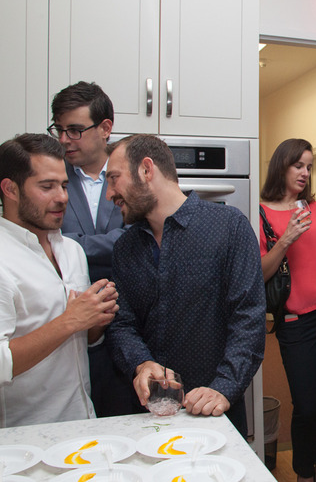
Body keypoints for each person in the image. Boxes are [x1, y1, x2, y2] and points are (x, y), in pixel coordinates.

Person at [104, 134, 265, 437]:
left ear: (146, 170)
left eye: (114, 178)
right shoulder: (125, 248)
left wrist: (223, 387)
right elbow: (121, 324)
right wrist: (141, 363)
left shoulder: (229, 227)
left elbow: (249, 319)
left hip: (215, 416)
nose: (109, 193)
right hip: (147, 418)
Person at [0, 133, 118, 429]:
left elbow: (83, 342)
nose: (62, 197)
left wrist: (95, 321)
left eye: (63, 185)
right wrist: (70, 321)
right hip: (21, 438)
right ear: (10, 189)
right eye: (46, 186)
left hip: (82, 422)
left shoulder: (72, 251)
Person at [259, 138, 316, 482]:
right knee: (307, 405)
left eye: (309, 167)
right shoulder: (262, 213)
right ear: (281, 165)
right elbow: (259, 273)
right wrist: (285, 240)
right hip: (296, 321)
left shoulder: (315, 207)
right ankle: (302, 473)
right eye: (299, 165)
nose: (305, 173)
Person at [49, 81, 132, 417]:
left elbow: (137, 237)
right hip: (73, 329)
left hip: (133, 321)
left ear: (105, 129)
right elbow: (53, 246)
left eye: (74, 130)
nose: (65, 139)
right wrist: (116, 241)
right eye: (60, 129)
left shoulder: (132, 170)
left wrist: (74, 244)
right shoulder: (53, 176)